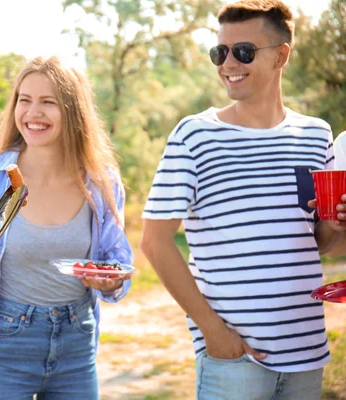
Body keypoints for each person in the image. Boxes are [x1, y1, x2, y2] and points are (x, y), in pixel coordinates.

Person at [140, 1, 344, 399]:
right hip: (236, 361)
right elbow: (154, 241)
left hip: (307, 356)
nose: (228, 63)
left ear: (281, 56)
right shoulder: (194, 136)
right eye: (221, 52)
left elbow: (314, 242)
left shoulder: (317, 136)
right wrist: (214, 335)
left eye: (244, 52)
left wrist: (334, 225)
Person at [0, 56, 133, 400]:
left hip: (76, 342)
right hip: (5, 342)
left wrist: (112, 278)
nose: (33, 113)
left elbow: (117, 259)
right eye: (24, 100)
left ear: (73, 111)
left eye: (49, 103)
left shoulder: (100, 181)